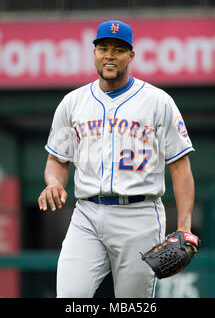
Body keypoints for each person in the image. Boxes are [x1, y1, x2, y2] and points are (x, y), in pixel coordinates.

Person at [38, 20, 196, 298]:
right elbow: (58, 160)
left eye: (119, 49)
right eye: (103, 48)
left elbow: (180, 166)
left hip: (139, 214)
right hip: (86, 214)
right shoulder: (73, 103)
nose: (110, 55)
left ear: (131, 55)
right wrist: (53, 183)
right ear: (94, 52)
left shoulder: (158, 101)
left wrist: (184, 227)